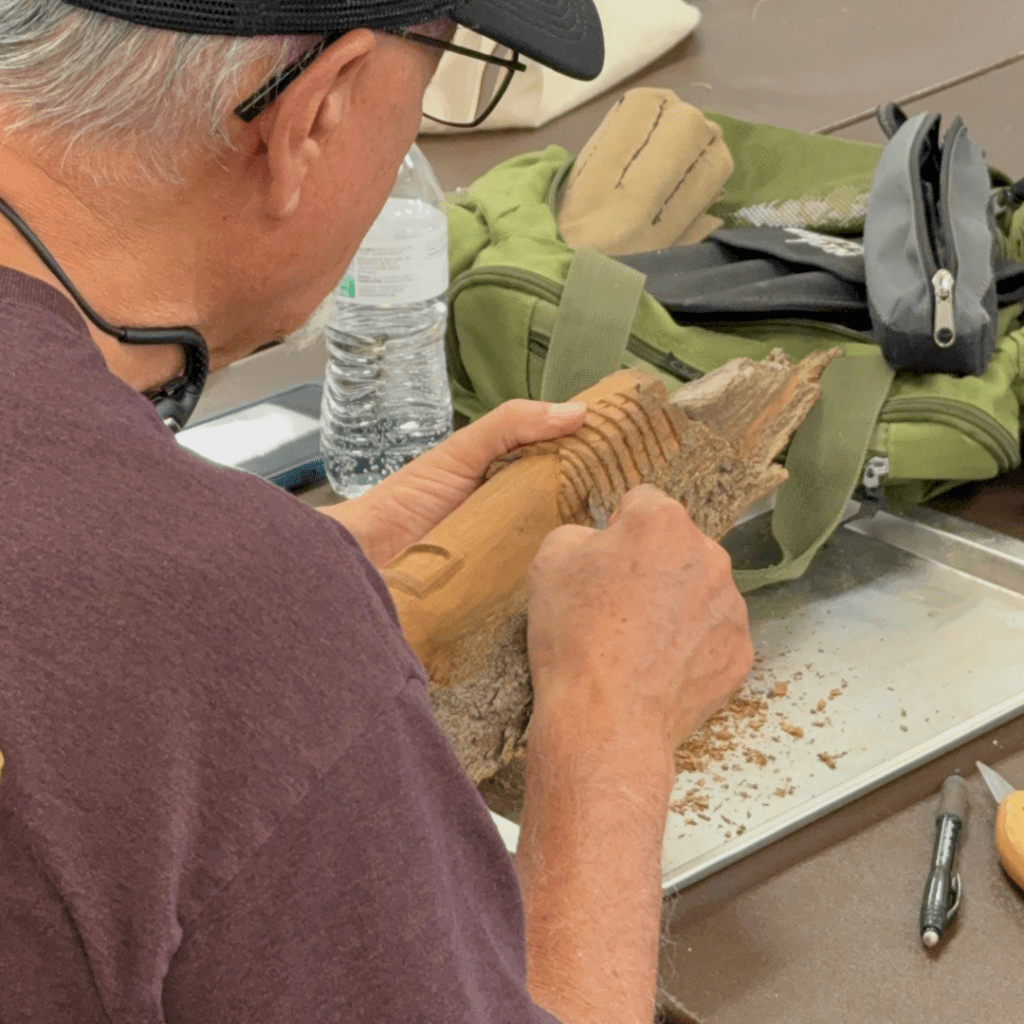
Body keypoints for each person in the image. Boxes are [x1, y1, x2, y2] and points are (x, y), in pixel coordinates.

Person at [0, 0, 753, 1021]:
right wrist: (613, 730)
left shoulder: (198, 614)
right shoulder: (229, 623)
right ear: (319, 109)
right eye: (438, 75)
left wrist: (279, 584)